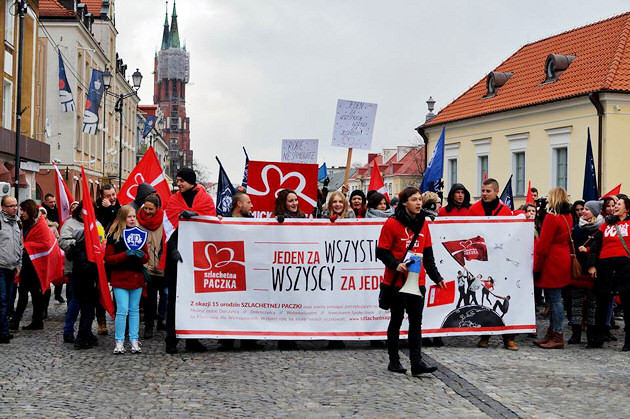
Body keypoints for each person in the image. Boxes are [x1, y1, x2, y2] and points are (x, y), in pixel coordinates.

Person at [376, 187, 446, 376]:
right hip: (397, 281)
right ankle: (394, 361)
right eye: (414, 200)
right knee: (396, 320)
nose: (418, 203)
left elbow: (428, 254)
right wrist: (395, 264)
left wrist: (436, 277)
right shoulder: (392, 223)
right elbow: (381, 251)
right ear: (404, 202)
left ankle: (417, 363)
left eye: (419, 200)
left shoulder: (424, 224)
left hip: (417, 281)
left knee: (416, 323)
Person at [165, 168, 216, 354]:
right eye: (177, 180)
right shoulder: (173, 200)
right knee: (173, 301)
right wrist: (172, 250)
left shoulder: (205, 200)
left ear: (191, 181)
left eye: (182, 181)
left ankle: (192, 339)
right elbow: (168, 227)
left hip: (197, 257)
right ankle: (171, 340)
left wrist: (194, 216)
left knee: (192, 299)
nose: (179, 184)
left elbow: (210, 223)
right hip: (176, 257)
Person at [469, 178, 517, 350]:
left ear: (496, 192)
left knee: (503, 294)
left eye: (488, 191)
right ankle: (485, 335)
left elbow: (510, 233)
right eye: (482, 190)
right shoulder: (474, 209)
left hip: (501, 259)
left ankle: (508, 337)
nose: (484, 194)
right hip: (482, 260)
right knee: (486, 297)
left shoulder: (504, 210)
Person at [217, 193, 263, 352]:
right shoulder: (222, 220)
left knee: (249, 304)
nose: (252, 206)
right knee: (229, 304)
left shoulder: (254, 222)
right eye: (248, 202)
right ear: (239, 205)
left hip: (249, 269)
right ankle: (227, 339)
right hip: (230, 268)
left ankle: (248, 338)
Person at [587, 196, 630, 351]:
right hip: (605, 267)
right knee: (602, 304)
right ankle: (597, 338)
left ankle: (628, 340)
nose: (615, 207)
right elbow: (596, 245)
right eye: (615, 204)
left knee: (626, 304)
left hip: (625, 267)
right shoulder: (606, 225)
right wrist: (592, 265)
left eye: (619, 204)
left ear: (627, 209)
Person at [105, 205, 149, 354]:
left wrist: (141, 255)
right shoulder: (114, 236)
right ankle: (119, 341)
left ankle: (134, 340)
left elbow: (146, 257)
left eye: (134, 216)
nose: (132, 219)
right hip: (120, 278)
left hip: (136, 277)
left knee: (134, 310)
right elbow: (108, 259)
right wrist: (125, 254)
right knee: (122, 310)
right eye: (129, 216)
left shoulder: (140, 234)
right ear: (123, 217)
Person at [533, 188, 572, 349]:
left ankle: (557, 334)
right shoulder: (568, 217)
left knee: (554, 300)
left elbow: (543, 245)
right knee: (555, 299)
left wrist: (536, 265)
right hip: (563, 257)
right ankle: (552, 333)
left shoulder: (551, 218)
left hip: (552, 260)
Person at [568, 200, 603, 346]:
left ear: (594, 212)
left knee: (592, 305)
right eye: (583, 209)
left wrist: (588, 254)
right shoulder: (577, 228)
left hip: (593, 270)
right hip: (578, 269)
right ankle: (576, 334)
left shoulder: (601, 228)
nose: (583, 212)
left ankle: (591, 336)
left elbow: (600, 250)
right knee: (575, 303)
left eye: (587, 209)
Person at [137, 194, 166, 339]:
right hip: (145, 265)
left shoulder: (164, 221)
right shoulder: (137, 220)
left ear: (157, 208)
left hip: (161, 265)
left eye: (151, 209)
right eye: (146, 208)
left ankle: (162, 320)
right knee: (149, 299)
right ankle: (149, 326)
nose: (147, 211)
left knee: (165, 295)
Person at [12, 200, 45, 331]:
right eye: (21, 210)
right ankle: (20, 320)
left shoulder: (39, 225)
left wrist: (26, 246)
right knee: (24, 293)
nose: (22, 213)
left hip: (35, 265)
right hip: (26, 263)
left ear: (30, 211)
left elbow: (45, 243)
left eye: (24, 210)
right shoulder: (23, 224)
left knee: (34, 294)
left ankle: (34, 321)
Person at [58, 202, 85, 345]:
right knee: (75, 301)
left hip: (90, 269)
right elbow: (62, 242)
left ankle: (85, 331)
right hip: (75, 268)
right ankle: (68, 331)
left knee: (88, 303)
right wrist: (78, 242)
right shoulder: (70, 224)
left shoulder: (95, 223)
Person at [0, 196, 21, 343]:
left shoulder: (17, 223)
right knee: (1, 300)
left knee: (8, 300)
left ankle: (4, 328)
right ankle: (3, 332)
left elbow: (20, 245)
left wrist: (19, 265)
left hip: (12, 267)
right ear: (3, 208)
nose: (15, 208)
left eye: (16, 205)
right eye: (11, 206)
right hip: (0, 267)